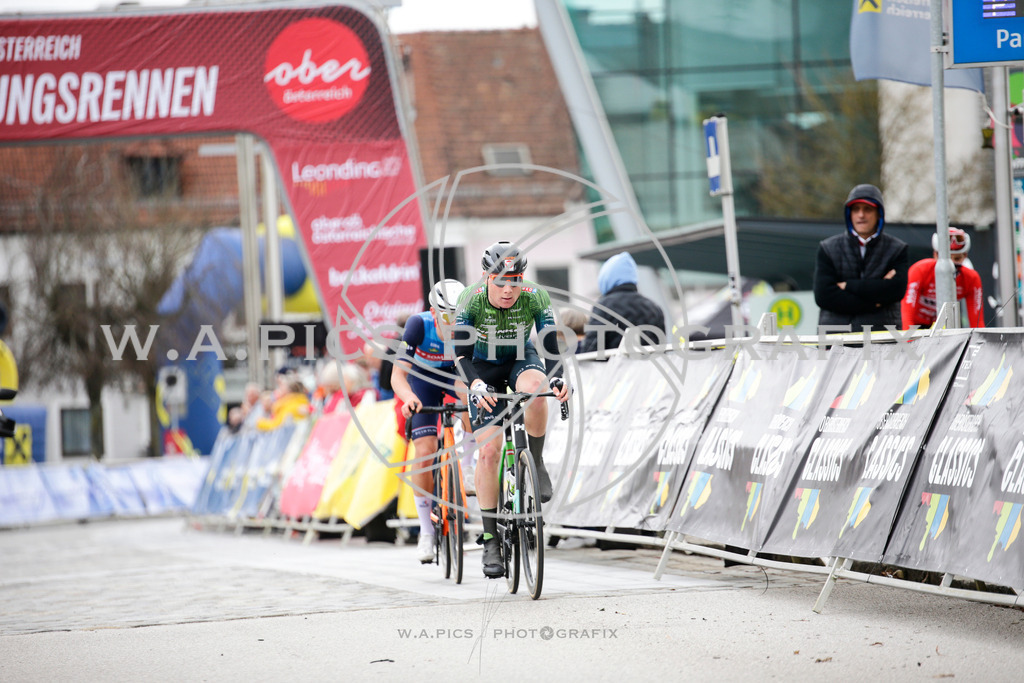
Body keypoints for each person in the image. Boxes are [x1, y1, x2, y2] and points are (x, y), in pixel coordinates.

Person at [452, 241, 570, 579]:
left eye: (515, 281)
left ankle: (536, 459)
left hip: (520, 357)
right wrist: (475, 386)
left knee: (537, 388)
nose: (508, 290)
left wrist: (559, 381)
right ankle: (490, 537)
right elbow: (460, 356)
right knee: (489, 451)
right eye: (501, 282)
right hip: (480, 366)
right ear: (486, 277)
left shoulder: (535, 296)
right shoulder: (470, 300)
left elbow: (550, 347)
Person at [390, 278, 473, 564]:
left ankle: (469, 465)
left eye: (457, 315)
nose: (452, 323)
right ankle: (426, 531)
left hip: (455, 377)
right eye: (446, 316)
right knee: (424, 450)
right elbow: (397, 376)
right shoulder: (418, 325)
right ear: (432, 311)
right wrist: (409, 398)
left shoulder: (470, 324)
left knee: (470, 399)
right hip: (423, 382)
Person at [814, 184, 909, 333]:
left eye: (867, 209)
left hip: (882, 341)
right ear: (849, 214)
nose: (861, 215)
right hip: (835, 341)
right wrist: (875, 301)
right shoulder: (828, 248)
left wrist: (848, 286)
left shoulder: (898, 249)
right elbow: (824, 297)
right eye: (855, 209)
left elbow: (895, 291)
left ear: (879, 214)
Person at [579, 252, 667, 354]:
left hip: (614, 369)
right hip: (648, 369)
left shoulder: (604, 306)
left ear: (606, 278)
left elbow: (591, 350)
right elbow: (661, 350)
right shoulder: (654, 308)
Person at [901, 227, 984, 329]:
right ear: (935, 255)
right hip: (910, 323)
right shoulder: (920, 270)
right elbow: (907, 312)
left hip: (938, 325)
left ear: (965, 256)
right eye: (946, 258)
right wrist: (908, 340)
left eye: (957, 258)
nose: (951, 264)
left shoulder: (971, 278)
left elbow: (977, 322)